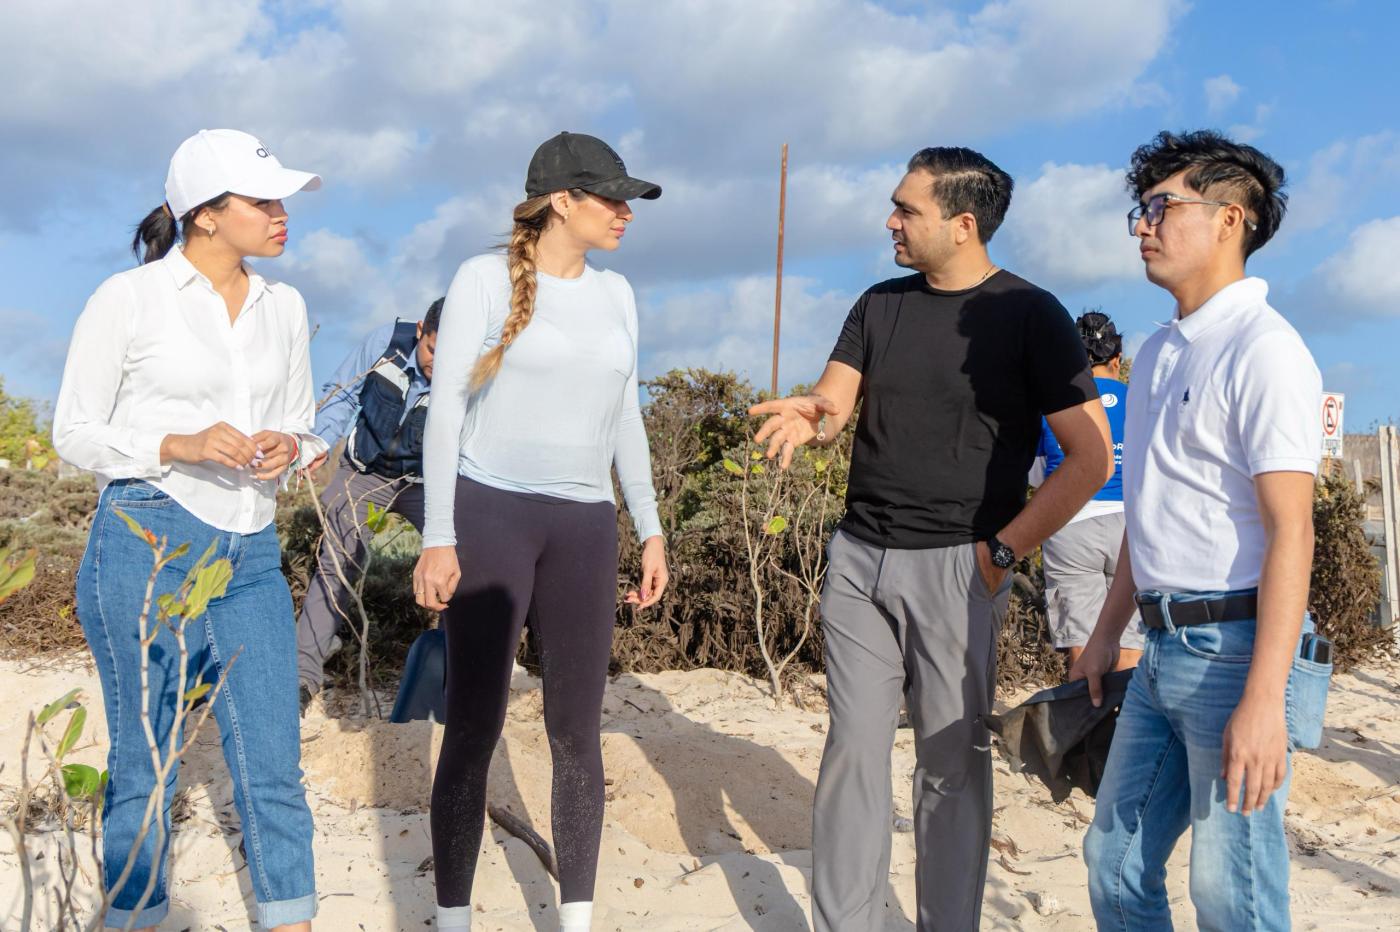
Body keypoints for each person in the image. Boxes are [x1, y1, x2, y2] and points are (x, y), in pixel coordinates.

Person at [751, 146, 1113, 931]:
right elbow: (835, 400)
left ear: (963, 223)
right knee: (852, 754)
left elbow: (1091, 460)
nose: (891, 220)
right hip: (858, 561)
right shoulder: (878, 304)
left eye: (906, 209)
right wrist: (813, 416)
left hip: (961, 567)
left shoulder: (1032, 314)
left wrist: (1001, 554)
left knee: (950, 766)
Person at [52, 129, 324, 931]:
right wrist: (179, 443)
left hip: (252, 549)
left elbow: (303, 424)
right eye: (263, 201)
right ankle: (135, 916)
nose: (281, 215)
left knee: (274, 763)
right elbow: (73, 432)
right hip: (148, 540)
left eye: (281, 201)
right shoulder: (127, 298)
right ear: (205, 214)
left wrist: (291, 446)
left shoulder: (286, 306)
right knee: (147, 763)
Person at [411, 132, 669, 932]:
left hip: (585, 525)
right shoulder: (482, 280)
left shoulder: (618, 294)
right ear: (563, 199)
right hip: (491, 513)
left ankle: (576, 922)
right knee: (474, 726)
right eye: (612, 198)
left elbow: (626, 416)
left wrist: (651, 528)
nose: (626, 213)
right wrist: (438, 535)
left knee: (578, 733)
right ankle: (453, 919)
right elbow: (446, 411)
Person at [1073, 130, 1324, 930]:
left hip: (1237, 650)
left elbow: (1292, 531)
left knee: (1230, 893)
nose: (1143, 226)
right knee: (1113, 864)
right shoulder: (1157, 354)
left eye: (1161, 207)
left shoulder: (1266, 349)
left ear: (1230, 219)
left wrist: (1264, 700)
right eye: (1141, 211)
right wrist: (1106, 633)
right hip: (1158, 650)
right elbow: (1148, 513)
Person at [294, 298, 442, 708]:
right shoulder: (385, 343)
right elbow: (342, 395)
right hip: (363, 473)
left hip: (425, 484)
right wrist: (320, 441)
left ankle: (456, 670)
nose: (438, 363)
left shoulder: (468, 372)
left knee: (460, 560)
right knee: (337, 561)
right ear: (420, 330)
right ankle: (303, 675)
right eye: (432, 349)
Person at [1031, 311, 1143, 673]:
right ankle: (1124, 709)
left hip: (1071, 523)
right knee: (1131, 643)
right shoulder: (1139, 400)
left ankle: (1084, 708)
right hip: (1131, 524)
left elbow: (1037, 475)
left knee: (1081, 642)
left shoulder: (1054, 403)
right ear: (1117, 359)